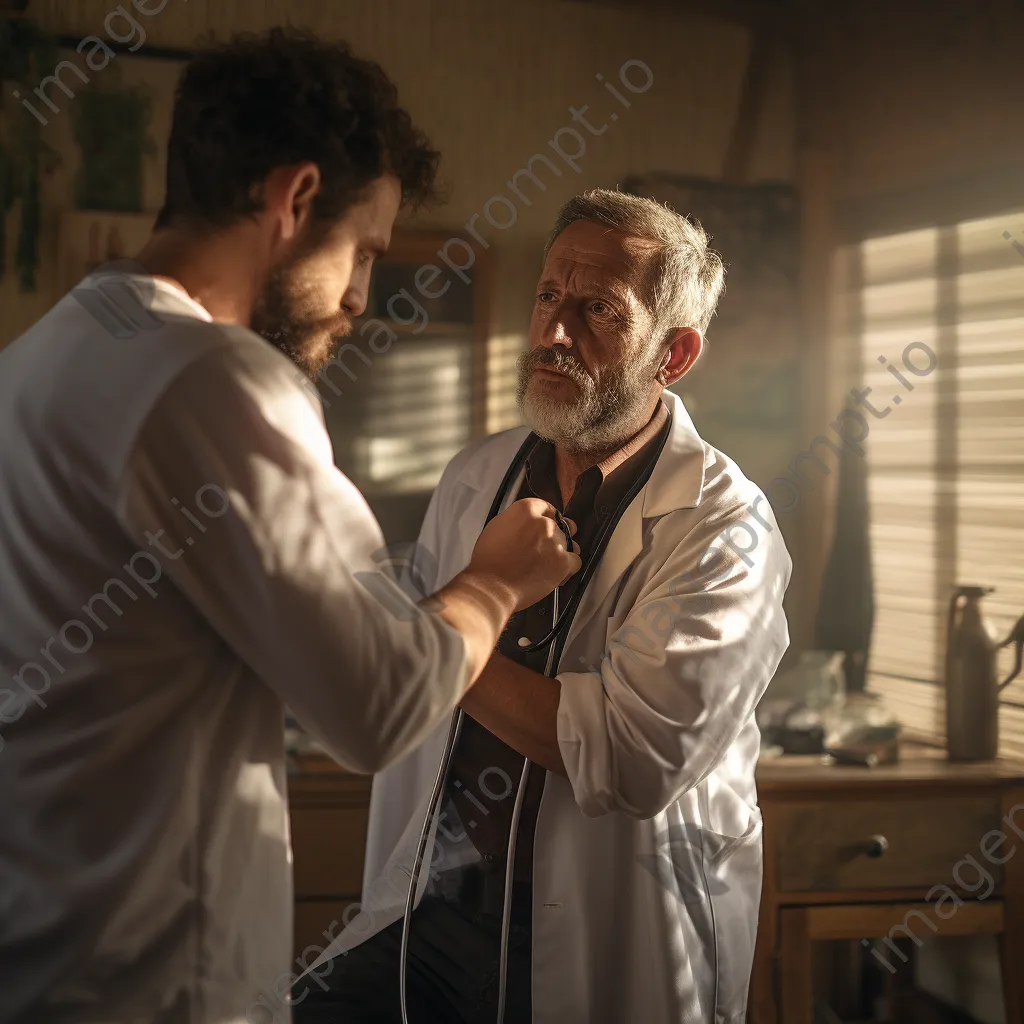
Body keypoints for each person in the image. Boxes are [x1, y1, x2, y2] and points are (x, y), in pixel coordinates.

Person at [0, 29, 579, 1024]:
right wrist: (493, 582)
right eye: (362, 252)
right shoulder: (215, 378)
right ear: (292, 198)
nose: (359, 297)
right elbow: (377, 699)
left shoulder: (39, 359)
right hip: (156, 986)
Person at [294, 189, 793, 1023]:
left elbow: (632, 756)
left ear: (673, 354)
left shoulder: (725, 527)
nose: (556, 333)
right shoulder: (476, 477)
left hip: (610, 926)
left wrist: (438, 634)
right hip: (438, 902)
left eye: (599, 309)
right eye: (549, 298)